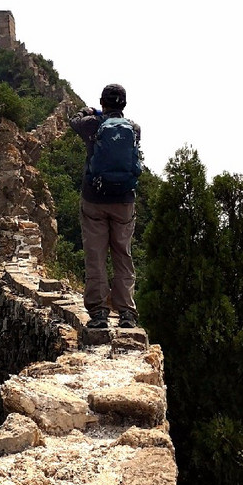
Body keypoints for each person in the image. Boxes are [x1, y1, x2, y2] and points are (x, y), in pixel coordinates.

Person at [69, 84, 141, 329]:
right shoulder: (134, 128)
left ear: (102, 102)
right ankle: (126, 314)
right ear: (124, 105)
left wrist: (90, 110)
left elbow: (74, 120)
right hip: (124, 200)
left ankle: (99, 313)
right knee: (123, 255)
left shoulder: (92, 125)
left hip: (94, 199)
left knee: (96, 256)